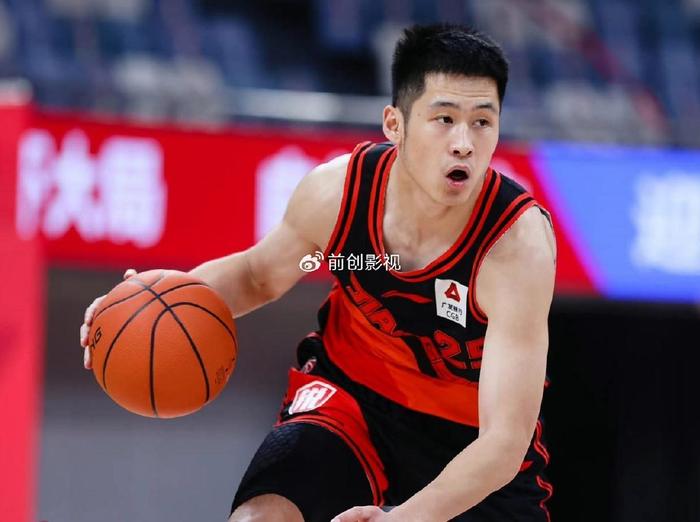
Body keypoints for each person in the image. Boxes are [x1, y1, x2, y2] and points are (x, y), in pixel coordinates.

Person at [80, 23, 556, 522]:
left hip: (470, 443)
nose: (464, 143)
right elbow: (257, 276)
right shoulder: (338, 193)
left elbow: (504, 440)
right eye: (444, 119)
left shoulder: (515, 247)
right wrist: (143, 301)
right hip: (351, 400)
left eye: (482, 122)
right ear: (394, 124)